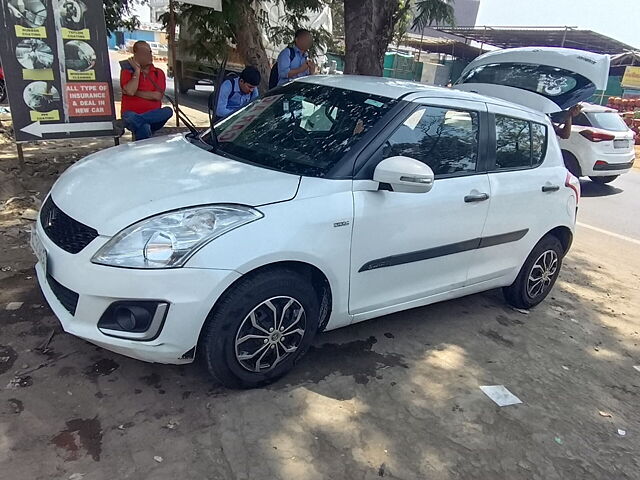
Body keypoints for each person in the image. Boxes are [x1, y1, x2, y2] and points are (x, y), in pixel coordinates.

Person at [119, 40, 173, 141]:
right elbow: (130, 91)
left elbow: (157, 96)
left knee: (168, 111)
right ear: (136, 55)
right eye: (144, 53)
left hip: (154, 118)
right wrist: (137, 71)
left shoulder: (158, 73)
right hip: (131, 115)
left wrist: (136, 93)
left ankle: (140, 120)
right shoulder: (127, 71)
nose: (149, 55)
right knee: (140, 125)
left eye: (150, 52)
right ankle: (141, 122)